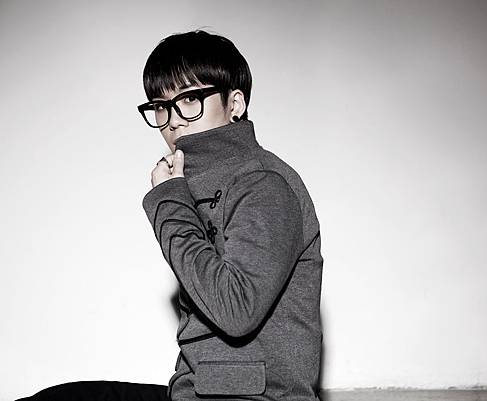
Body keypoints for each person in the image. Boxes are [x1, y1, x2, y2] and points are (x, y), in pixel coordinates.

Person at [16, 29, 323, 401]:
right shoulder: (198, 182)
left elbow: (236, 311)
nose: (173, 119)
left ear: (235, 103)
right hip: (202, 391)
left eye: (190, 99)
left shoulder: (263, 184)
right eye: (160, 105)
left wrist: (169, 202)